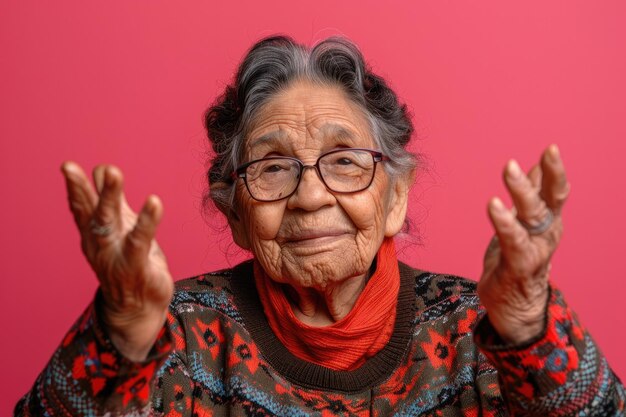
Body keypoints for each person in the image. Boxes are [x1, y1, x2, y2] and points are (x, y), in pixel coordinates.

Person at [15, 36, 624, 416]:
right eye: (274, 167)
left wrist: (527, 323)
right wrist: (119, 331)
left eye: (344, 162)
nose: (310, 196)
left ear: (395, 198)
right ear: (235, 214)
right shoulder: (174, 333)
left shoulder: (480, 329)